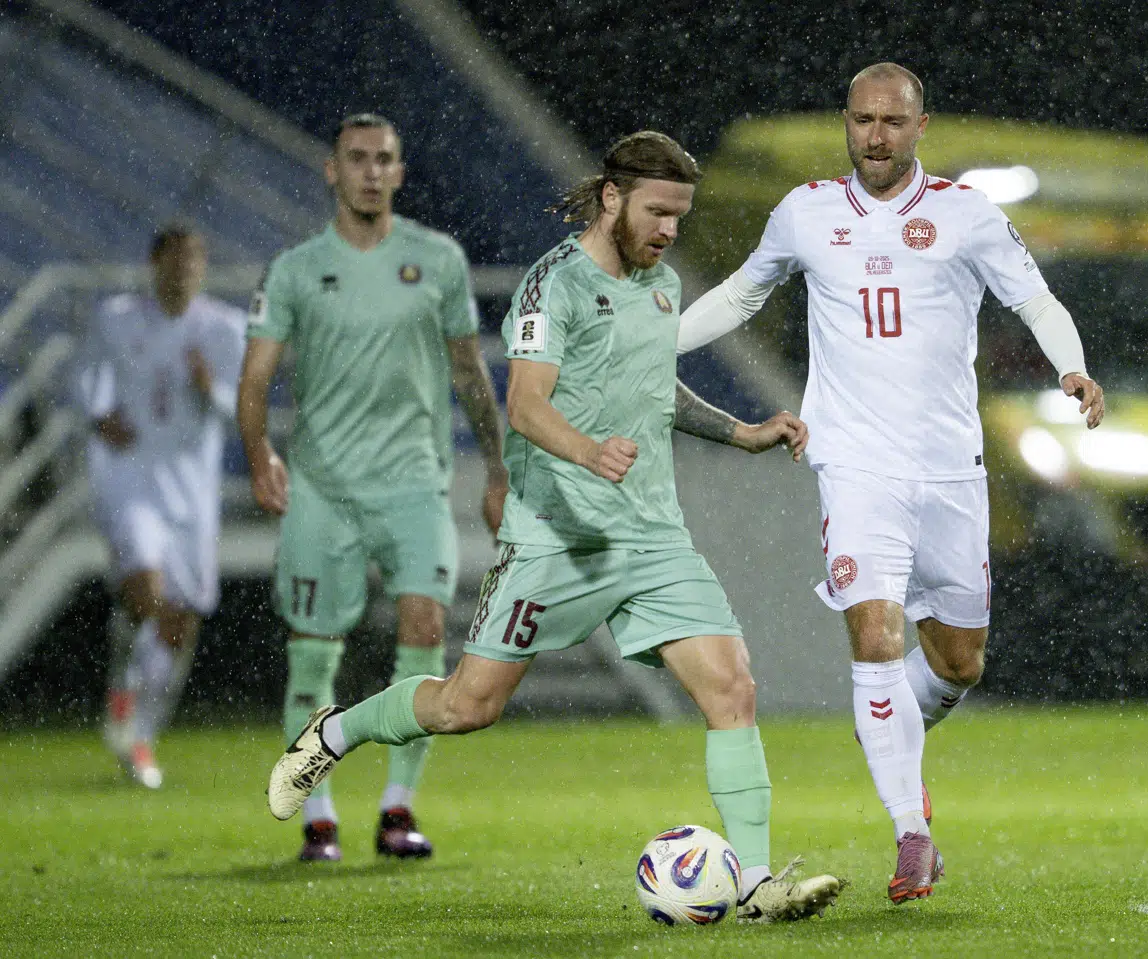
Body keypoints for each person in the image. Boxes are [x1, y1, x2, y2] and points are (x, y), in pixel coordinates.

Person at [267, 130, 845, 922]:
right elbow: (525, 405)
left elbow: (656, 388)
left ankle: (752, 883)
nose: (670, 230)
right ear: (612, 198)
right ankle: (338, 730)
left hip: (650, 537)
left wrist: (740, 432)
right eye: (658, 212)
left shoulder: (664, 285)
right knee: (468, 705)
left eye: (680, 215)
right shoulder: (553, 285)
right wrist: (588, 451)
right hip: (557, 537)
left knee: (732, 688)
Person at [676, 63, 1105, 902]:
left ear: (920, 126)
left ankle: (891, 730)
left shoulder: (965, 215)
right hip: (853, 462)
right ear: (847, 121)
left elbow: (1037, 300)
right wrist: (656, 347)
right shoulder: (805, 212)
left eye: (892, 122)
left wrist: (1074, 368)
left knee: (959, 662)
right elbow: (740, 294)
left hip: (950, 467)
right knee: (873, 637)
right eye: (863, 120)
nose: (876, 136)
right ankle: (912, 831)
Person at [239, 113, 509, 863]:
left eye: (382, 159)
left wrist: (497, 465)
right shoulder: (295, 267)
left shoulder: (438, 259)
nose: (368, 171)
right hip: (322, 487)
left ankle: (397, 808)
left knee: (424, 627)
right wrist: (259, 452)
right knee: (313, 651)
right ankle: (317, 813)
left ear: (399, 171)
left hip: (415, 485)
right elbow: (255, 376)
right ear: (332, 171)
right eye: (355, 159)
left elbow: (467, 370)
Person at [79, 224, 246, 789]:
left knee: (180, 618)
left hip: (192, 493)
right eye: (175, 260)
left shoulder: (224, 328)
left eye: (195, 260)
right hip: (131, 477)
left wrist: (209, 390)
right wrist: (98, 414)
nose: (185, 270)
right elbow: (84, 376)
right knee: (147, 591)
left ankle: (141, 733)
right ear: (155, 263)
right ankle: (125, 700)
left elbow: (239, 407)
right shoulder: (117, 318)